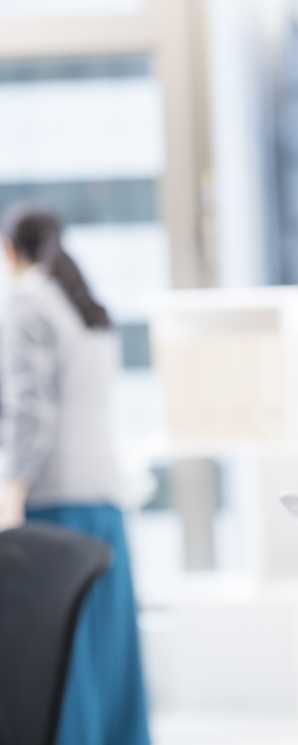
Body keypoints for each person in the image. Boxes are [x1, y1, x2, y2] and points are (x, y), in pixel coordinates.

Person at [0, 205, 152, 745]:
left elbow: (30, 409)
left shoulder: (26, 302)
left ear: (10, 247)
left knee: (63, 660)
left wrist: (11, 492)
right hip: (104, 501)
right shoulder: (85, 306)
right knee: (108, 654)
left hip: (54, 503)